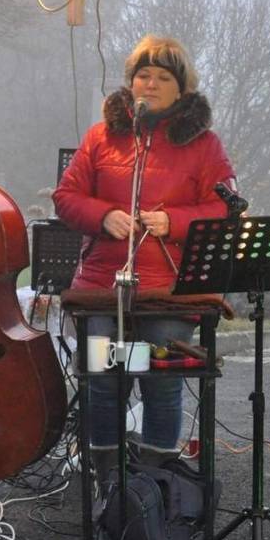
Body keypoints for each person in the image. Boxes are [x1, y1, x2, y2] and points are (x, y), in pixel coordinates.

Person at [53, 34, 235, 484]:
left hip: (170, 290)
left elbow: (223, 209)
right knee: (105, 382)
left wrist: (173, 222)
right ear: (130, 83)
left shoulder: (205, 145)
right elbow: (66, 196)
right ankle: (108, 484)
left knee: (161, 382)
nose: (149, 85)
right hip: (102, 289)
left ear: (181, 88)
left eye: (162, 77)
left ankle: (156, 484)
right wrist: (104, 215)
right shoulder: (100, 137)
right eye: (143, 75)